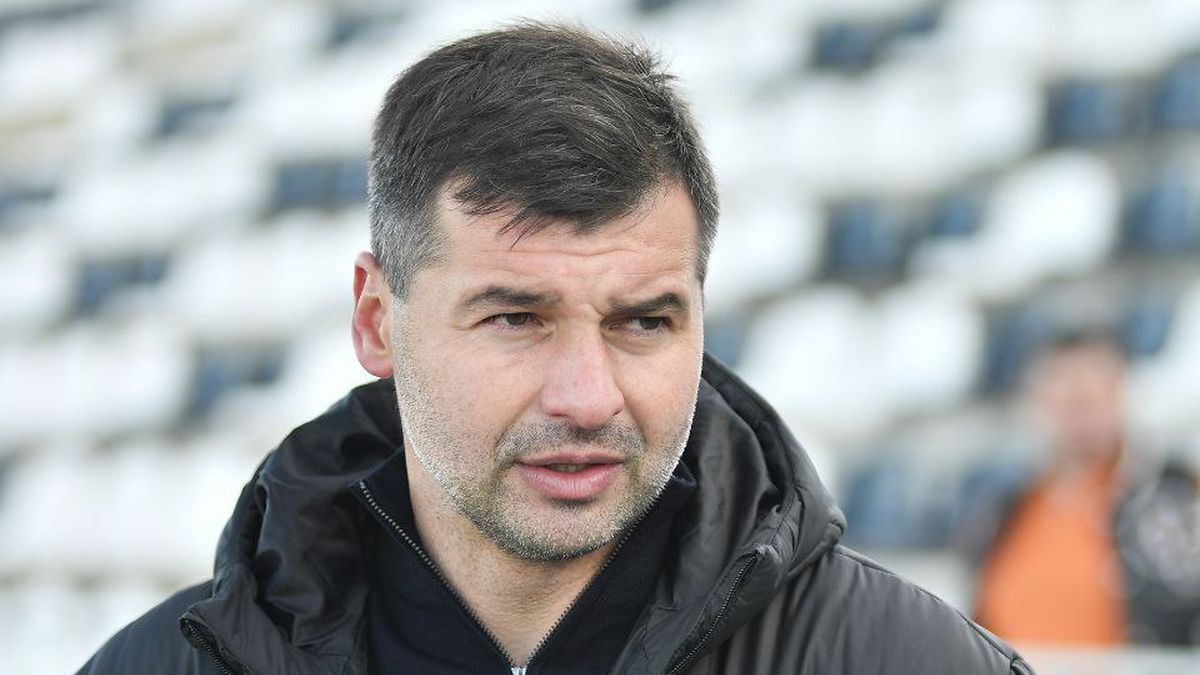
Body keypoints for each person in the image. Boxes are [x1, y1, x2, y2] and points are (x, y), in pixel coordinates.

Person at [79, 24, 1031, 674]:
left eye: (643, 321)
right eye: (516, 318)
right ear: (376, 320)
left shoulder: (901, 659)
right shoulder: (168, 665)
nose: (588, 396)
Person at [961, 330, 1200, 645]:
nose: (1077, 404)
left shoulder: (1170, 498)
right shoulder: (1005, 508)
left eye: (1091, 395)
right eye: (1064, 395)